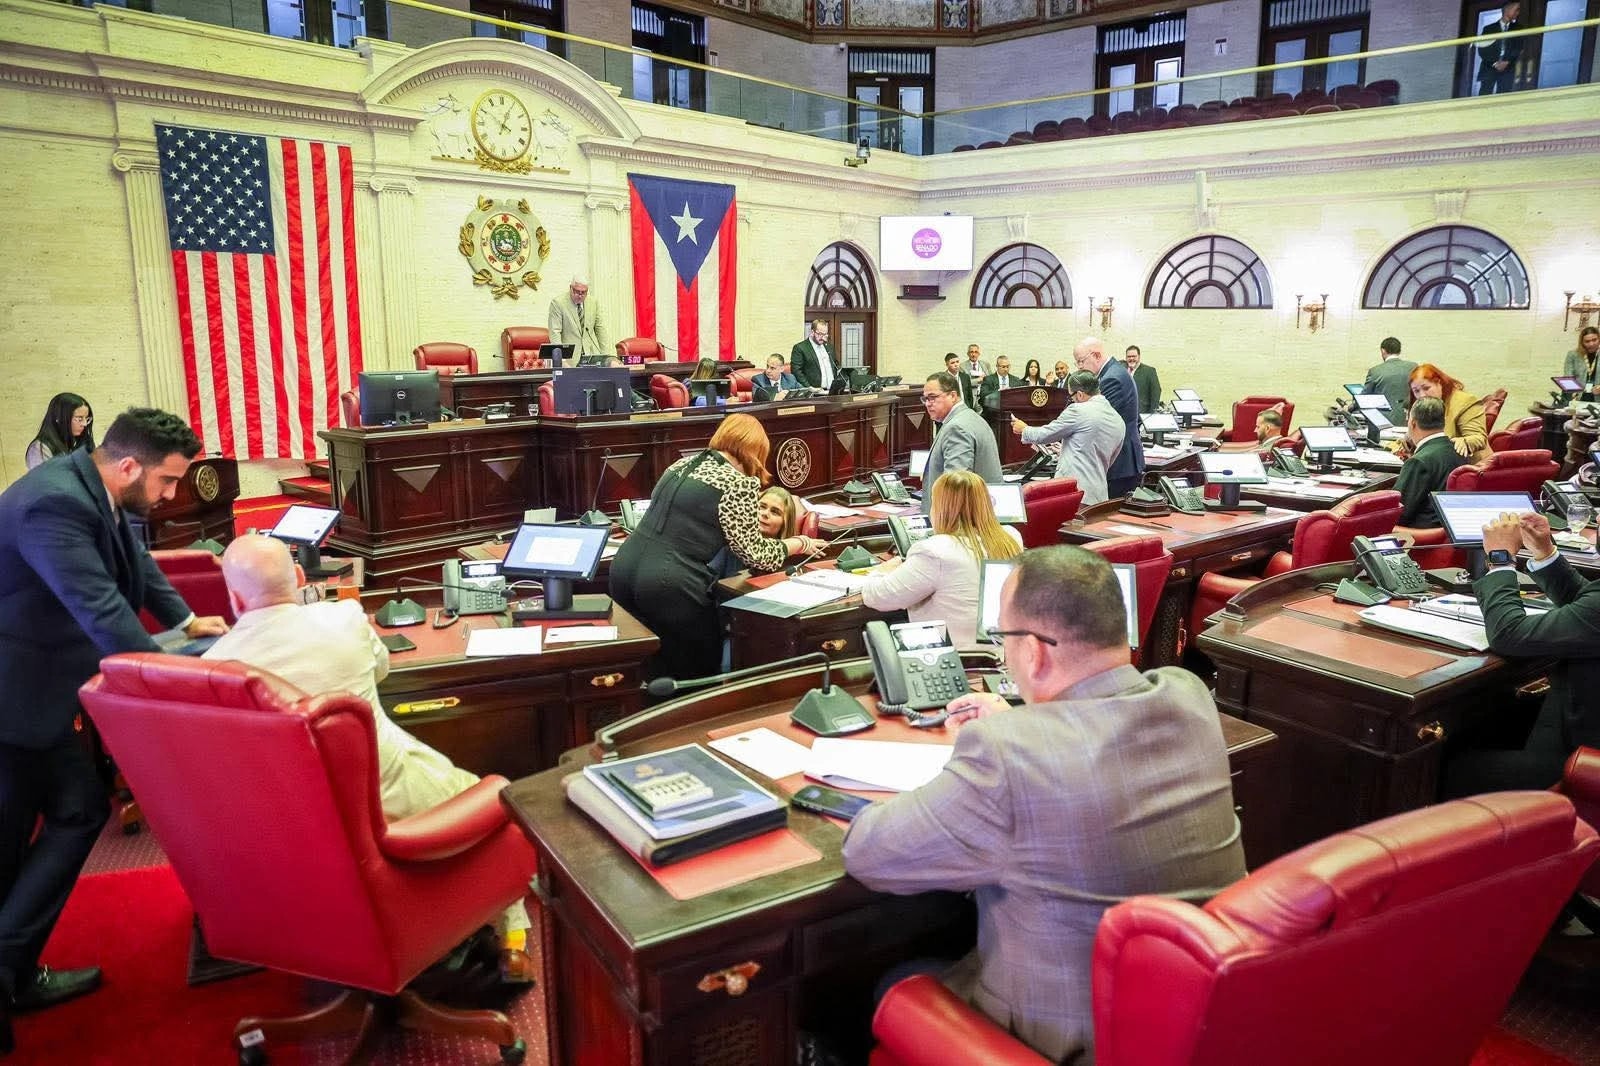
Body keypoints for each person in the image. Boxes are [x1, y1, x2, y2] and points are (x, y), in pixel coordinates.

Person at [843, 545, 1246, 1064]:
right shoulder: (1187, 695)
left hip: (1065, 1043)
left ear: (1033, 652)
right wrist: (1015, 714)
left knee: (890, 981)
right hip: (1191, 1022)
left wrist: (1010, 732)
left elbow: (869, 855)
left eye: (1002, 640)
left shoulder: (1006, 756)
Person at [202, 535, 535, 981]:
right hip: (393, 803)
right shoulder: (343, 619)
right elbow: (382, 668)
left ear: (234, 598)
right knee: (496, 800)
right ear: (300, 578)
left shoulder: (212, 668)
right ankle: (514, 943)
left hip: (288, 836)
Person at [0, 408, 228, 1044]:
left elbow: (136, 563)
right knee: (35, 827)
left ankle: (13, 968)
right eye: (165, 483)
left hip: (40, 690)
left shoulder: (91, 482)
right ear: (129, 465)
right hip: (16, 697)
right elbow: (103, 613)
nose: (170, 496)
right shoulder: (53, 505)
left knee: (70, 815)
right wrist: (178, 682)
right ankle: (7, 968)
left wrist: (185, 623)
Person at [610, 414, 823, 679]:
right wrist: (797, 543)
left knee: (645, 663)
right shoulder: (738, 483)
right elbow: (756, 555)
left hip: (623, 569)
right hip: (668, 583)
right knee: (698, 666)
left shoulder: (680, 465)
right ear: (756, 451)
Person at [1442, 510, 1598, 796]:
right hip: (1580, 731)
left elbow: (1509, 634)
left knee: (1442, 763)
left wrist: (1500, 559)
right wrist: (1544, 553)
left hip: (1580, 765)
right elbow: (1588, 602)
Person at [860, 471, 1022, 646]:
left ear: (942, 508)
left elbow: (878, 597)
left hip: (955, 660)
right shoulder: (1011, 537)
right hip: (1004, 656)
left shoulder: (935, 551)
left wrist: (879, 572)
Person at [1010, 370, 1125, 506]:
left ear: (1080, 394)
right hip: (1099, 495)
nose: (1071, 400)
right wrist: (1067, 450)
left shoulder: (1078, 410)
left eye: (1071, 397)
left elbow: (1046, 435)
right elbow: (1107, 458)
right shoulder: (1118, 419)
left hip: (1074, 493)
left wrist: (1023, 429)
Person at [918, 372, 1002, 516]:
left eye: (932, 397)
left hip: (962, 524)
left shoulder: (956, 428)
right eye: (925, 398)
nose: (927, 403)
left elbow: (956, 485)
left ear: (952, 395)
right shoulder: (971, 418)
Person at [1074, 337, 1145, 498]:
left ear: (1096, 355)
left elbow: (1096, 420)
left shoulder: (1111, 379)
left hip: (1120, 463)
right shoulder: (1112, 372)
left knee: (1109, 519)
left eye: (1081, 361)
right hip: (1121, 460)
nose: (1079, 367)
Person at [1393, 398, 1470, 528]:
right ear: (1443, 422)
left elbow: (1398, 512)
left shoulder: (1419, 461)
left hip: (1420, 533)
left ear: (1412, 423)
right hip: (1448, 530)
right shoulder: (1459, 450)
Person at [1407, 363, 1489, 462]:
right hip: (1436, 462)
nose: (1422, 395)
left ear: (1439, 383)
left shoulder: (1465, 402)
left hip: (1468, 468)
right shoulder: (1424, 406)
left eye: (1426, 388)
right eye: (1416, 391)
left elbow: (1479, 438)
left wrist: (1465, 442)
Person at [24, 394, 95, 471]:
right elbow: (47, 481)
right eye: (79, 419)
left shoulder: (81, 442)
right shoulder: (40, 449)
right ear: (59, 418)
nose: (84, 424)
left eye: (87, 419)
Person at [547, 275, 609, 361]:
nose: (580, 296)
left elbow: (600, 329)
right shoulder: (558, 303)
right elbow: (555, 332)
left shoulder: (593, 303)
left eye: (583, 292)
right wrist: (561, 360)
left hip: (589, 357)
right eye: (577, 292)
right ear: (570, 288)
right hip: (569, 359)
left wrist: (607, 357)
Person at [1476, 1, 1523, 96]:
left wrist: (1507, 61)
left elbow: (1519, 47)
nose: (1518, 13)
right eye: (1516, 10)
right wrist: (1494, 63)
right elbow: (1483, 49)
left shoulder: (1518, 29)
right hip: (1489, 67)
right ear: (1507, 10)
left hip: (1508, 69)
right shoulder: (1489, 29)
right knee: (1484, 96)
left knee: (1503, 97)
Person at [1362, 336, 1416, 416]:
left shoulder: (1375, 371)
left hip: (1384, 421)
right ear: (1399, 351)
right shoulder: (1414, 367)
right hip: (1410, 418)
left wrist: (1349, 408)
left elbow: (1364, 398)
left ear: (1383, 351)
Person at [789, 320, 838, 390]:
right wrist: (808, 387)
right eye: (820, 334)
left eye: (825, 334)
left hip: (831, 391)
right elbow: (796, 371)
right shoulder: (800, 348)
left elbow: (835, 366)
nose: (823, 337)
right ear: (812, 332)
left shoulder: (829, 347)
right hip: (813, 392)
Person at [1562, 326, 1599, 400]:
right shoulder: (1573, 355)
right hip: (1577, 398)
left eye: (1594, 340)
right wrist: (1574, 391)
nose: (1591, 344)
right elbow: (1568, 377)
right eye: (1587, 341)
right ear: (1582, 342)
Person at [1124, 345, 1162, 414]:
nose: (1131, 358)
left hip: (1142, 414)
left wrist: (1152, 415)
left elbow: (1156, 393)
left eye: (1134, 356)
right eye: (1129, 356)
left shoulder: (1149, 371)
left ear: (1139, 356)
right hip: (1124, 414)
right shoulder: (1122, 370)